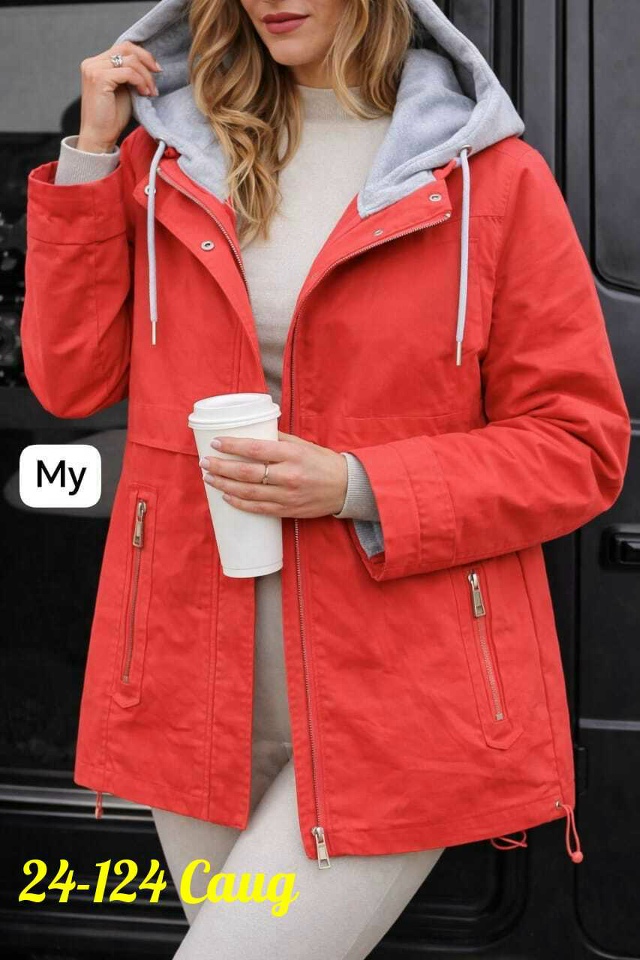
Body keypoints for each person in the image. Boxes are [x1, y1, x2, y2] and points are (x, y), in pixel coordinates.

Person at [21, 0, 630, 957]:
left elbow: (578, 445)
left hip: (401, 699)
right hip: (192, 680)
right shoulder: (164, 163)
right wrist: (93, 156)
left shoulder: (491, 178)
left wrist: (354, 483)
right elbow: (70, 381)